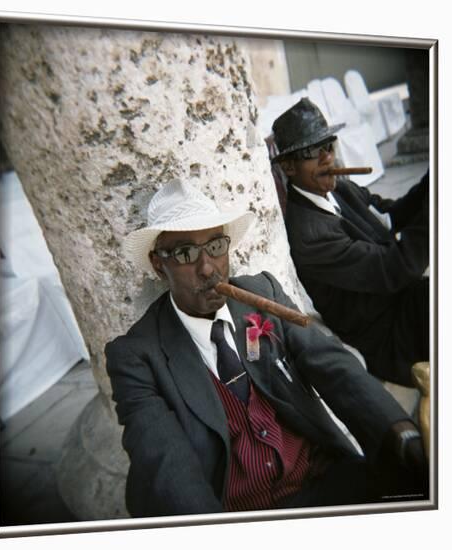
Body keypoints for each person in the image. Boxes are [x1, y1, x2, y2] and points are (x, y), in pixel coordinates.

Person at [105, 179, 427, 518]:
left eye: (215, 246)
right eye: (185, 253)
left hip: (323, 479)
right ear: (159, 265)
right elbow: (163, 460)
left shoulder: (263, 293)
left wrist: (400, 431)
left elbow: (333, 364)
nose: (208, 268)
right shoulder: (136, 356)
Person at [271, 97, 429, 387]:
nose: (327, 158)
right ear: (289, 167)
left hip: (405, 303)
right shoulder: (310, 236)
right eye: (312, 151)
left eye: (328, 145)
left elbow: (391, 216)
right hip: (389, 337)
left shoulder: (340, 189)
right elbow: (396, 268)